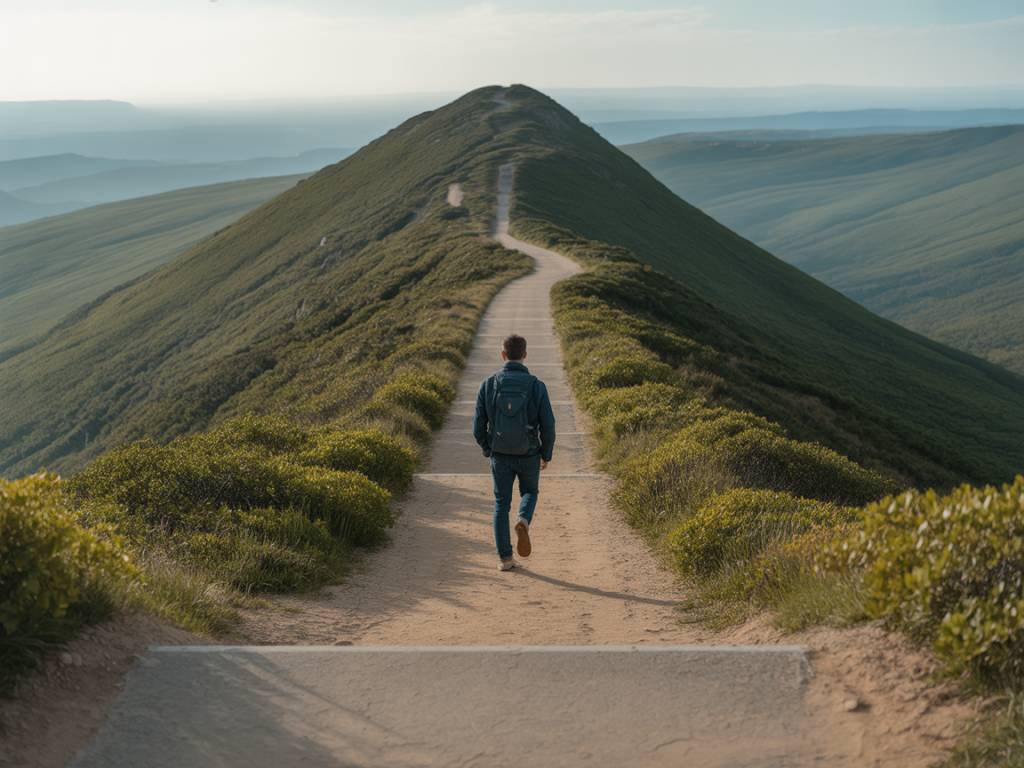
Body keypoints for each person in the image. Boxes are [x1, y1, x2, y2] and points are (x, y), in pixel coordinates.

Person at [472, 334, 556, 571]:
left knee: (501, 504)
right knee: (529, 491)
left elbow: (477, 426)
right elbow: (548, 424)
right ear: (525, 355)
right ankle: (523, 519)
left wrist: (488, 448)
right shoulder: (537, 386)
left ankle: (506, 559)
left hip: (500, 455)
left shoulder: (488, 385)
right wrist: (546, 454)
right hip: (529, 453)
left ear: (503, 355)